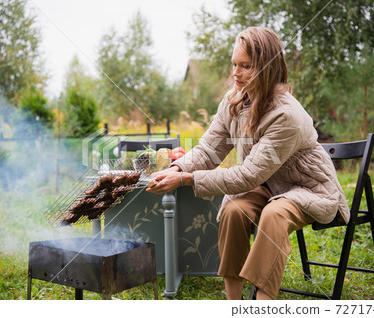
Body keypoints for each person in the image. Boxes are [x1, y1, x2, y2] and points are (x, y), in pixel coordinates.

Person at [146, 26, 349, 300]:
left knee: (273, 215)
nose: (235, 73)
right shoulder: (233, 101)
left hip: (306, 187)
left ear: (267, 68)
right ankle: (235, 304)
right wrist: (177, 168)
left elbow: (248, 175)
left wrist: (187, 180)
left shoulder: (286, 115)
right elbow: (209, 150)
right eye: (234, 64)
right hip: (267, 185)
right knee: (233, 210)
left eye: (246, 66)